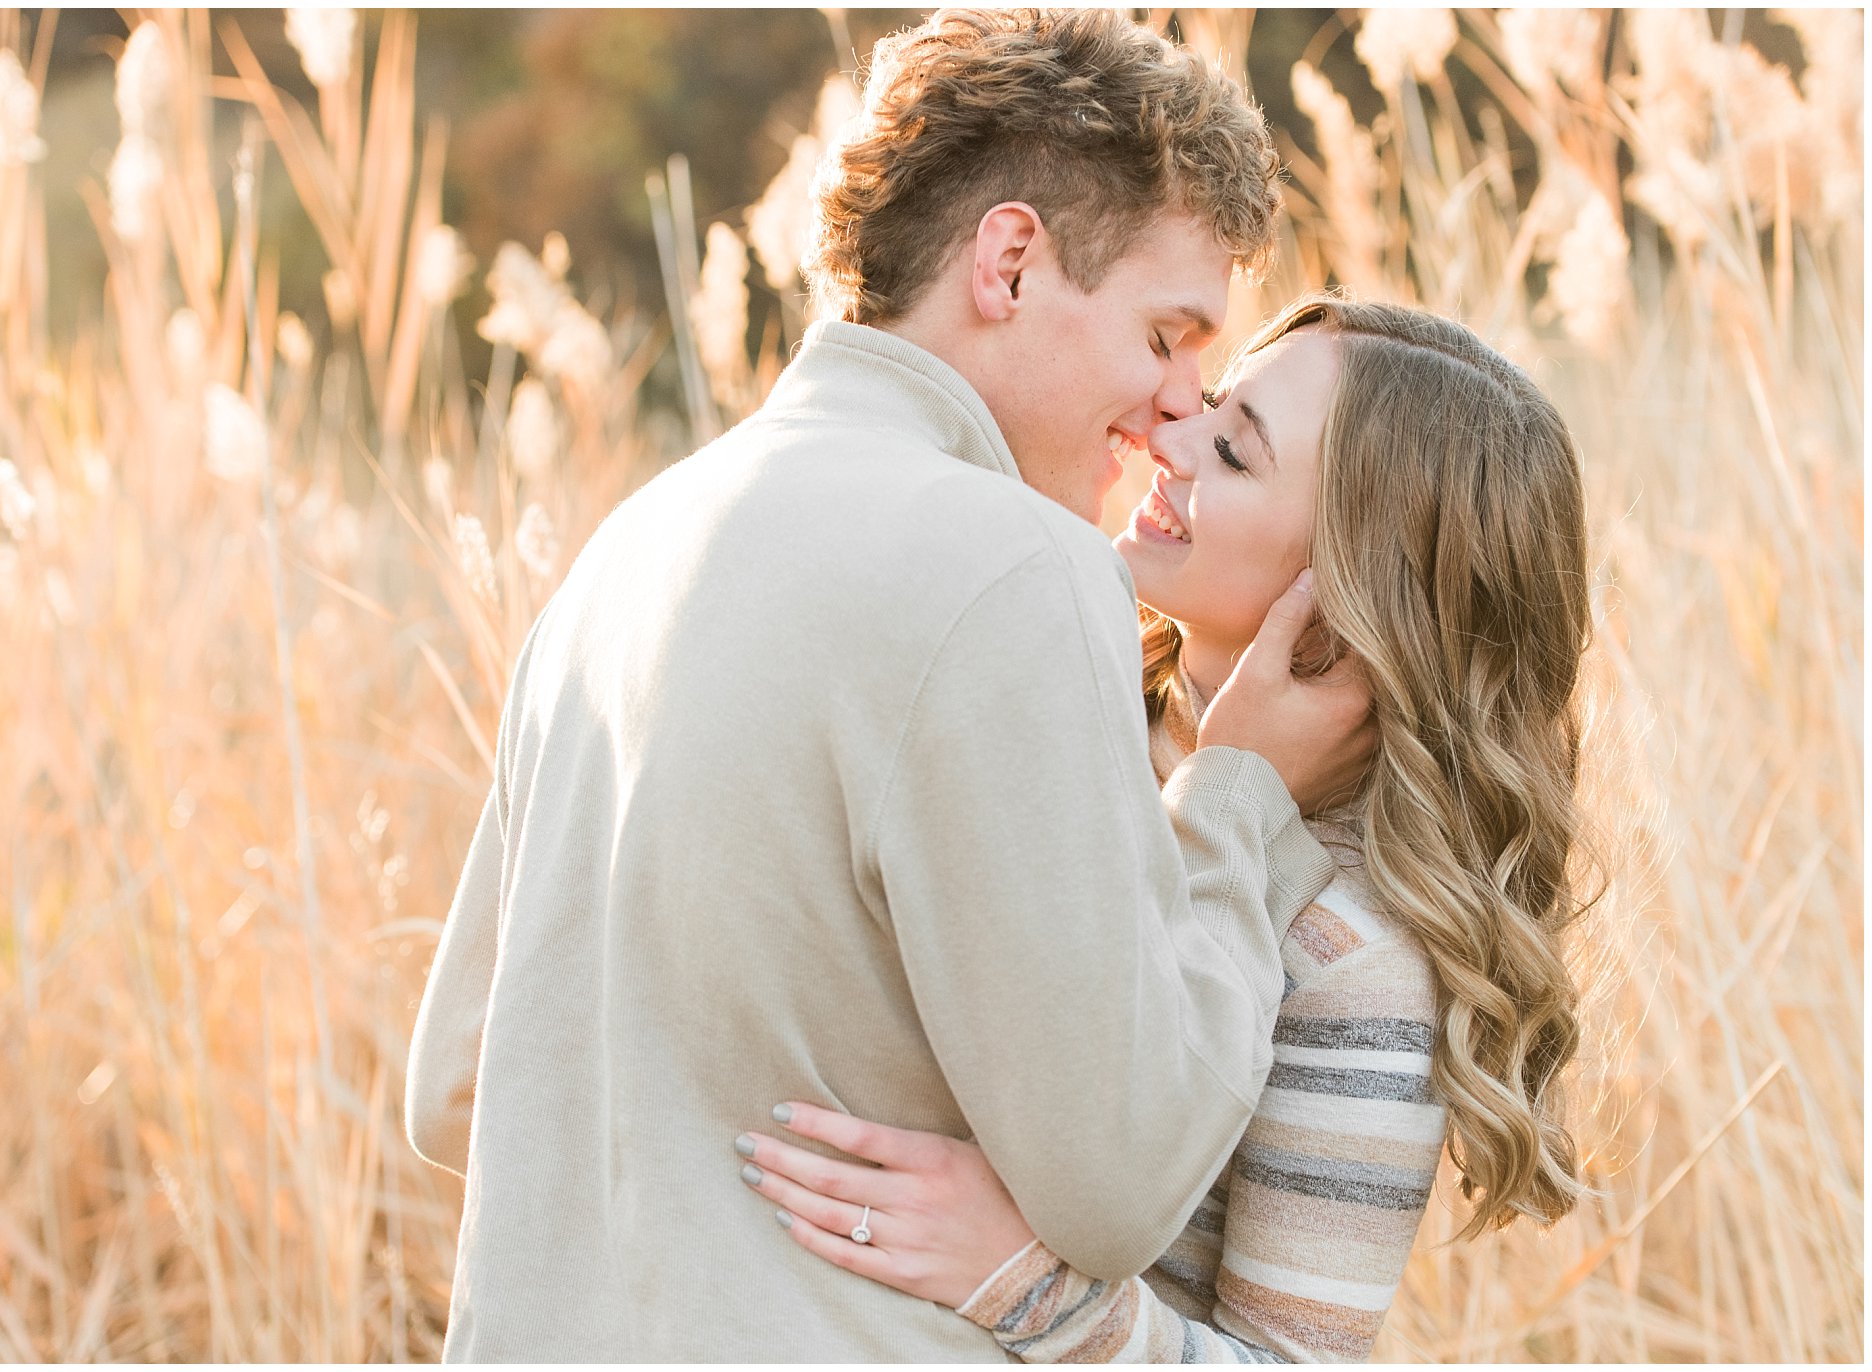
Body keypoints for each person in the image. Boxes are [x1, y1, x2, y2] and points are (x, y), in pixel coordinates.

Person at [403, 10, 1374, 1360]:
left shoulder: (623, 551)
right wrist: (1244, 803)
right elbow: (1118, 1185)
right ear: (1012, 261)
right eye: (1164, 335)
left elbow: (454, 1091)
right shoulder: (1019, 567)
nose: (1175, 406)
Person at [736, 296, 1595, 1362]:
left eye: (1232, 451)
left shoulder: (1349, 962)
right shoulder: (1041, 717)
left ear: (1346, 590)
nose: (1163, 430)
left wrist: (1023, 1284)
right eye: (1211, 401)